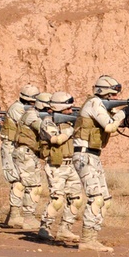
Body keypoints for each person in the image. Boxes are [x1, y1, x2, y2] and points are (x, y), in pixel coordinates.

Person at [73, 75, 129, 252]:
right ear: (107, 93)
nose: (117, 98)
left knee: (105, 200)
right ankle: (87, 240)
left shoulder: (103, 107)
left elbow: (121, 124)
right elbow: (109, 126)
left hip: (93, 156)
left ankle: (93, 237)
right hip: (84, 155)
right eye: (114, 95)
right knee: (96, 197)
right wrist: (125, 110)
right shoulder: (94, 104)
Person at [37, 91, 83, 242]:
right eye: (68, 109)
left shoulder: (68, 122)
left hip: (71, 165)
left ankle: (65, 229)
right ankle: (45, 228)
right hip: (56, 165)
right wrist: (72, 128)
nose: (71, 111)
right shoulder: (48, 122)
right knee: (57, 199)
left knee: (76, 199)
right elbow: (56, 139)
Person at [3, 84, 41, 228]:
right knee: (17, 181)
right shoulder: (18, 109)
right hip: (11, 146)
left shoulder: (21, 108)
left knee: (20, 181)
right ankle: (15, 216)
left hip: (17, 146)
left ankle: (14, 215)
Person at [11, 92, 48, 230]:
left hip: (28, 153)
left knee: (23, 184)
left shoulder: (32, 113)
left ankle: (15, 216)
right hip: (26, 153)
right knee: (33, 186)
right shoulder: (32, 115)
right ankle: (28, 217)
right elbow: (43, 128)